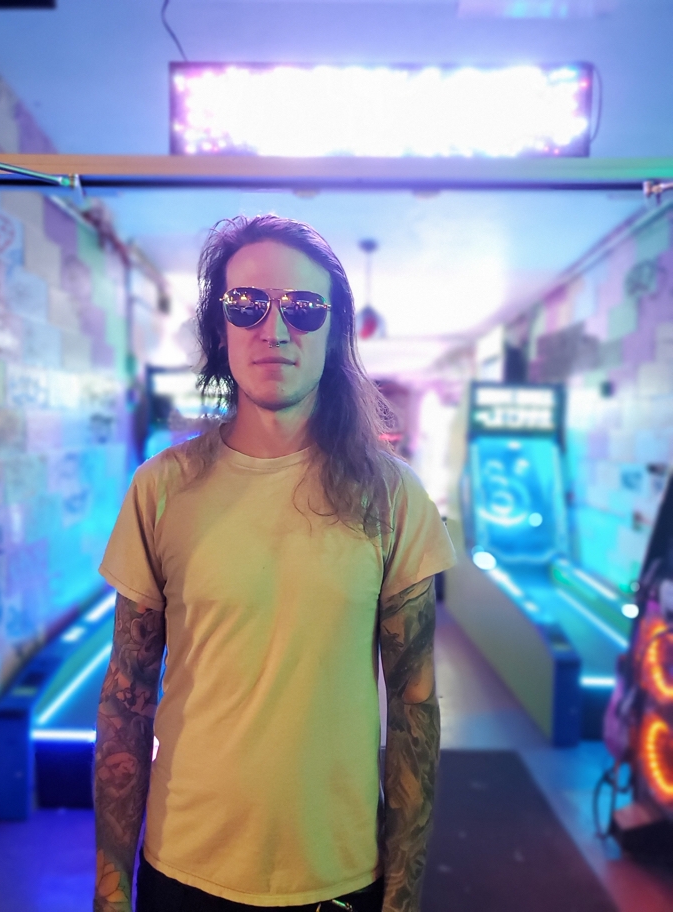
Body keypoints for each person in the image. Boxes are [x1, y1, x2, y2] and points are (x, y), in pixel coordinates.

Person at [93, 215, 456, 912]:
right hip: (185, 868)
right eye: (247, 305)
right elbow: (126, 699)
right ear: (220, 327)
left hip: (340, 873)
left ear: (334, 330)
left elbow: (415, 711)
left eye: (304, 308)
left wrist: (403, 897)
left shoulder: (390, 495)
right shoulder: (162, 490)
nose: (275, 329)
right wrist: (111, 891)